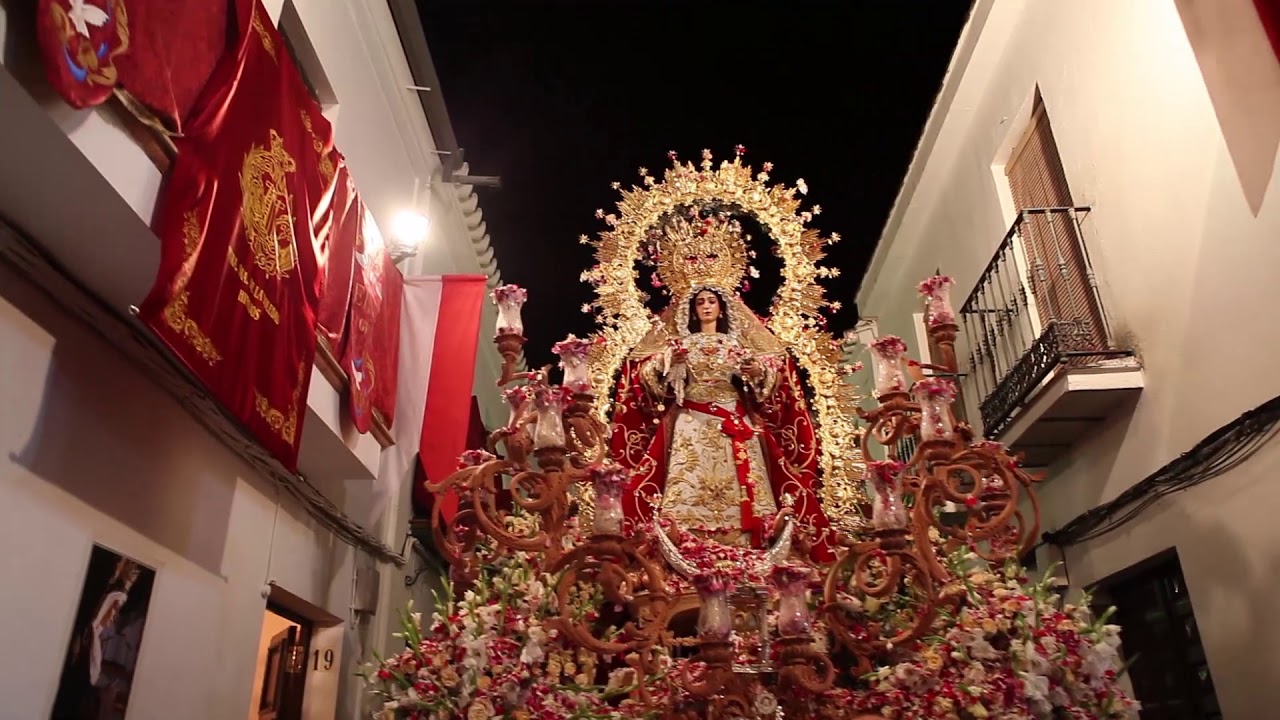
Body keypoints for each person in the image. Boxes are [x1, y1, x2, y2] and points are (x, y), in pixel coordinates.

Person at [608, 211, 833, 560]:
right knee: (688, 483)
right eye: (700, 302)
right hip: (691, 421)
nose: (707, 307)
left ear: (723, 307)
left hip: (735, 420)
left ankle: (752, 539)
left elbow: (770, 382)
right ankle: (687, 539)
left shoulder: (737, 345)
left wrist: (754, 369)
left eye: (712, 301)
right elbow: (647, 380)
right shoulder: (677, 345)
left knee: (746, 481)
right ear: (691, 310)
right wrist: (671, 365)